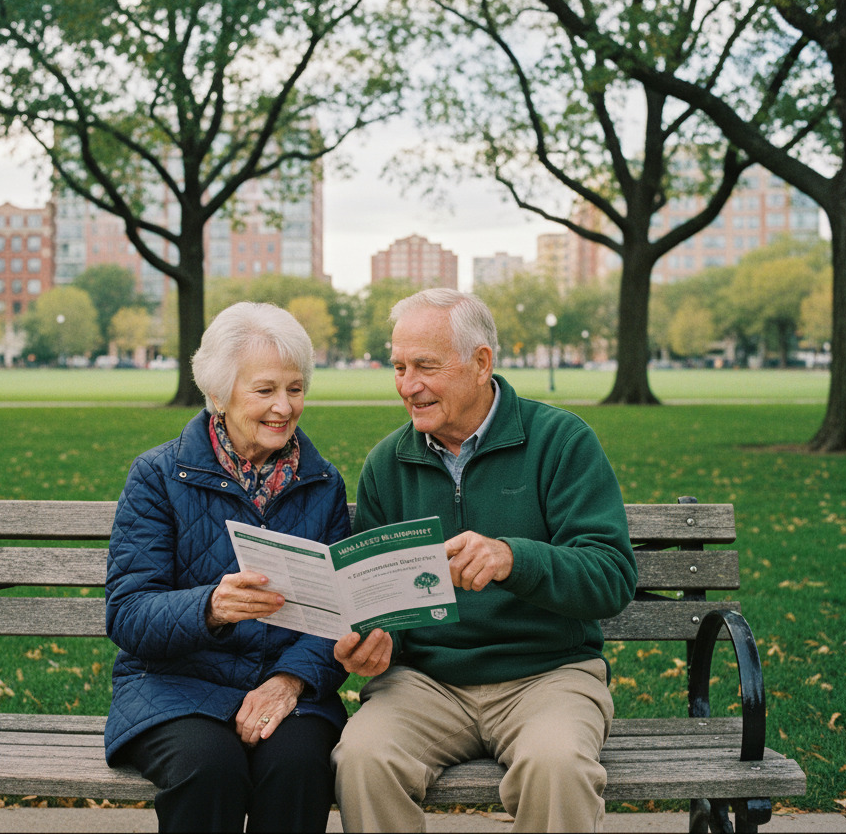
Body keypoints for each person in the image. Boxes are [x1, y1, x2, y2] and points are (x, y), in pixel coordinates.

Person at [331, 288, 637, 832]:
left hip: (547, 675)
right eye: (399, 367)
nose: (408, 385)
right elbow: (382, 601)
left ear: (481, 363)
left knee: (557, 765)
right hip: (424, 683)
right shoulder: (387, 464)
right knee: (361, 757)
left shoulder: (560, 442)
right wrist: (375, 643)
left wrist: (513, 558)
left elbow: (611, 578)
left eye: (426, 366)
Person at [105, 302, 351, 833]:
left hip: (286, 687)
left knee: (298, 765)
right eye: (265, 390)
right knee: (209, 768)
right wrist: (210, 608)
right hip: (174, 687)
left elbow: (336, 615)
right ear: (218, 394)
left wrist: (289, 680)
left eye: (295, 388)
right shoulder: (157, 475)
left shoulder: (323, 482)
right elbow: (127, 614)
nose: (284, 407)